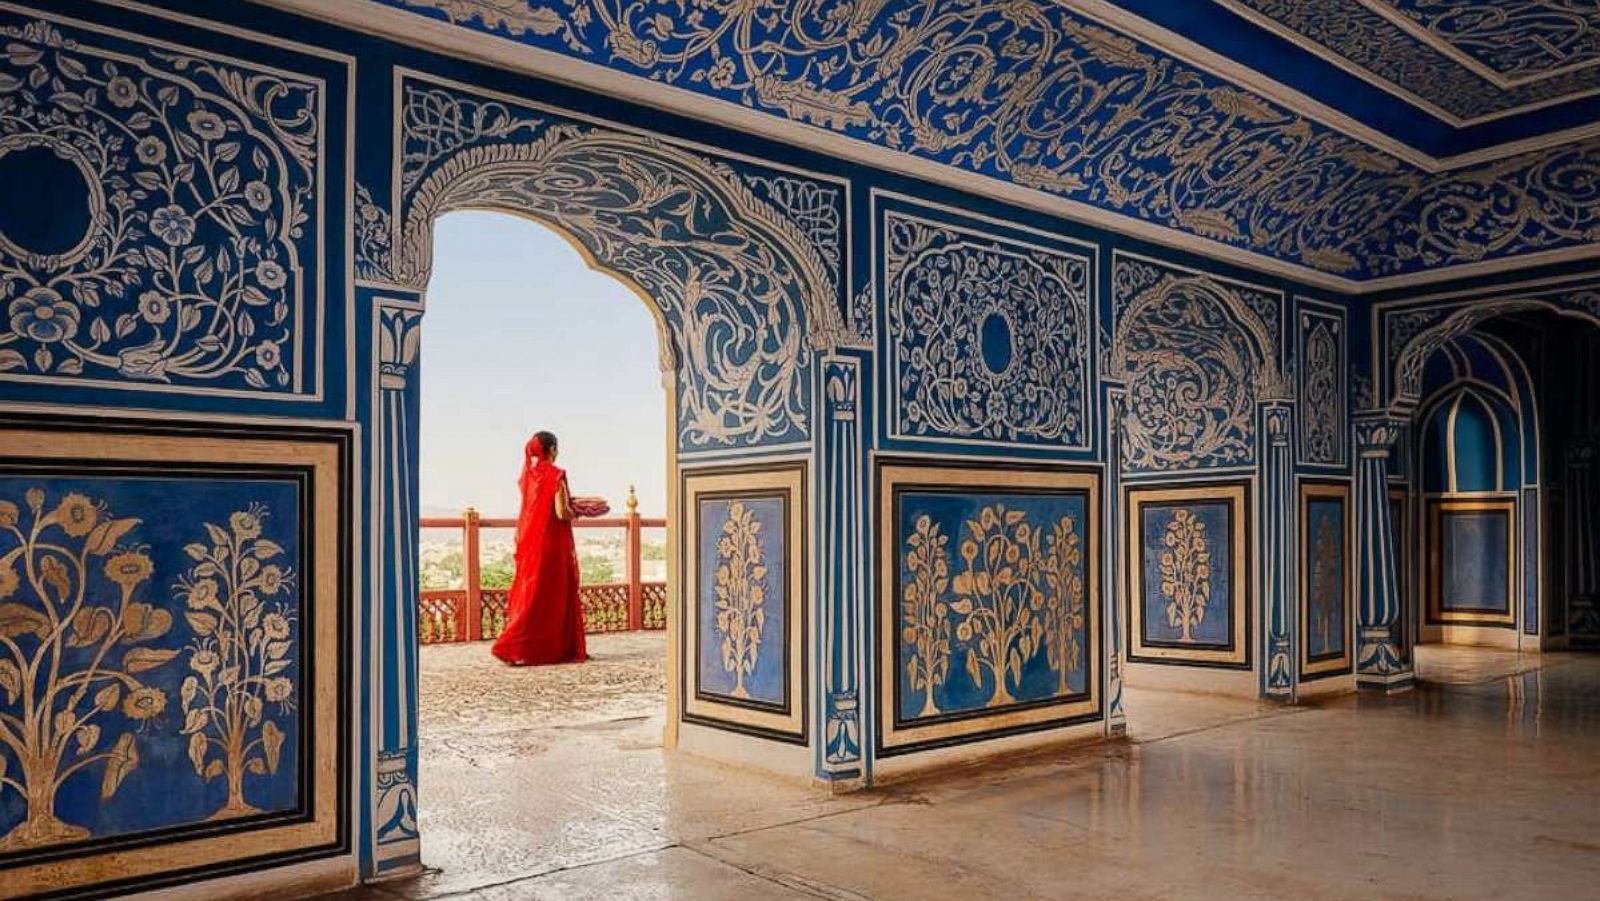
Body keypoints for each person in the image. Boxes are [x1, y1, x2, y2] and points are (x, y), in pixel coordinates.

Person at [491, 431, 587, 666]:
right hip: (553, 544)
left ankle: (517, 646)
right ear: (552, 449)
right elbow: (561, 511)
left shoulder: (528, 477)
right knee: (554, 595)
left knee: (531, 595)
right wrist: (579, 512)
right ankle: (510, 646)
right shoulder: (555, 475)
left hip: (531, 544)